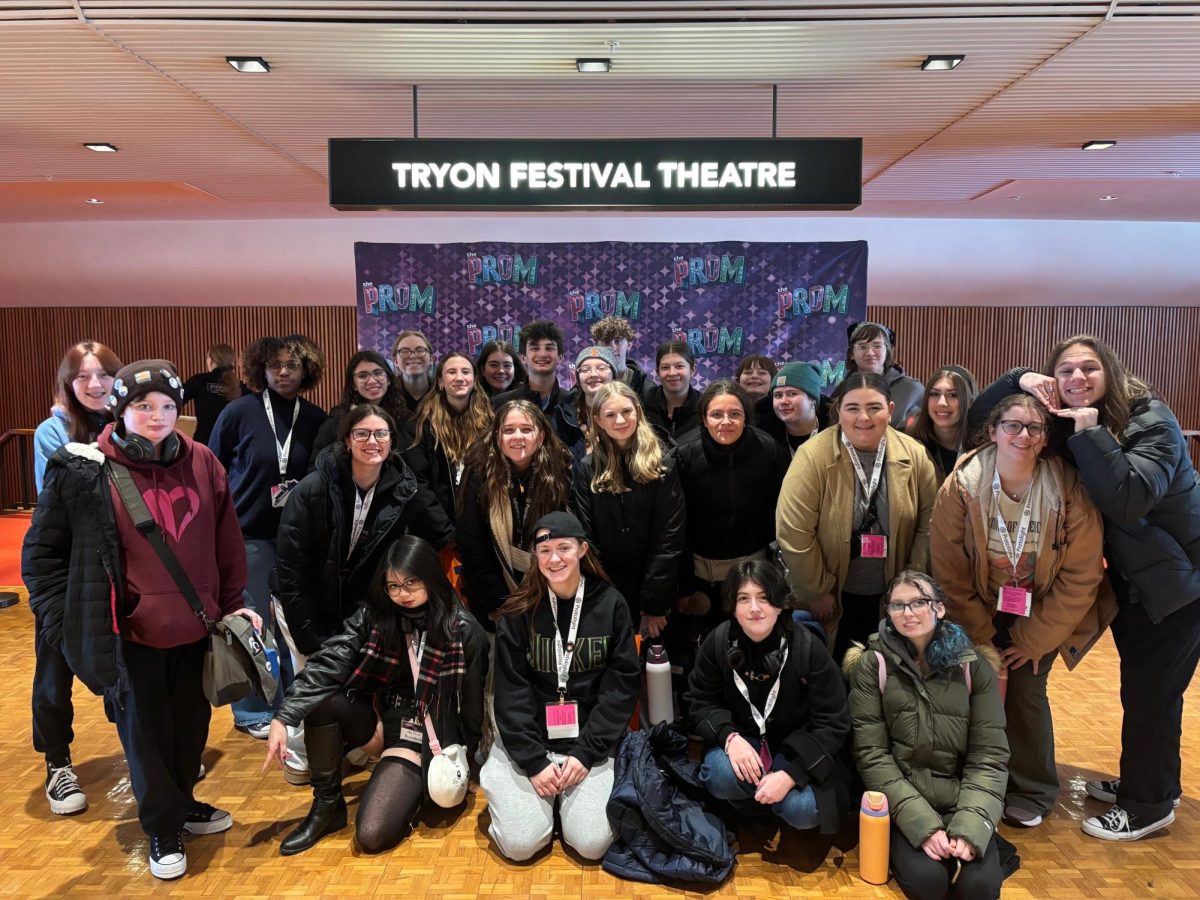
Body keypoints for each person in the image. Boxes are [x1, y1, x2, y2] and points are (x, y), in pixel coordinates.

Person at [23, 360, 258, 880]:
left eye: (169, 406)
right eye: (144, 406)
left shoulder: (203, 461)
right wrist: (65, 626)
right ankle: (161, 827)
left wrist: (234, 602)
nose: (158, 416)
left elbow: (227, 540)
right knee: (145, 733)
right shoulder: (84, 469)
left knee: (191, 729)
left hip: (197, 626)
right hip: (133, 633)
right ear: (121, 409)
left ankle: (183, 803)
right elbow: (43, 556)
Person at [970, 335, 1200, 842]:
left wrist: (1091, 433)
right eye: (1065, 370)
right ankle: (1151, 782)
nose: (1076, 378)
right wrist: (1019, 378)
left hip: (1176, 586)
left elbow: (1126, 499)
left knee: (1152, 695)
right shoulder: (1076, 423)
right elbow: (976, 418)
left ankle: (1148, 806)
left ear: (1110, 373)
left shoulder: (1150, 421)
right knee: (1144, 692)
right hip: (1137, 583)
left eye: (1088, 369)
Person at [931, 393, 1111, 830]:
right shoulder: (962, 484)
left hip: (1041, 609)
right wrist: (979, 632)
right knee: (972, 686)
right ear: (992, 431)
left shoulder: (1067, 487)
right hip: (976, 606)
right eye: (1012, 425)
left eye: (1034, 428)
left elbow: (1082, 575)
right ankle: (966, 780)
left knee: (1028, 691)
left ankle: (1031, 788)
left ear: (1046, 438)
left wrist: (1032, 640)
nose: (1023, 435)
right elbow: (949, 568)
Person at [265, 536, 488, 855]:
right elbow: (332, 659)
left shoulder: (464, 629)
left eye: (411, 583)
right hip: (382, 720)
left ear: (430, 577)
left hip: (426, 735)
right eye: (393, 585)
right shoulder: (377, 615)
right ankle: (327, 806)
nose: (402, 594)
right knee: (322, 699)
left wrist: (462, 758)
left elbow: (471, 705)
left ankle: (414, 794)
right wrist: (283, 717)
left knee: (371, 834)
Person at [481, 511, 641, 862]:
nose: (554, 559)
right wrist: (534, 762)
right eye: (545, 551)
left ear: (582, 550)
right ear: (535, 557)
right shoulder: (518, 611)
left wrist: (586, 752)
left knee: (592, 844)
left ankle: (556, 807)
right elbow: (510, 695)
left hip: (588, 745)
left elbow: (620, 689)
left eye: (564, 548)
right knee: (520, 846)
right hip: (528, 744)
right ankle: (540, 804)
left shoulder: (611, 604)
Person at [846, 572, 1008, 900]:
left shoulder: (973, 667)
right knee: (928, 884)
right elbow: (872, 755)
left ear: (939, 608)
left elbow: (989, 757)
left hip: (962, 798)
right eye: (898, 606)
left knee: (978, 887)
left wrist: (971, 826)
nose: (908, 613)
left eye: (919, 602)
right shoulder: (871, 665)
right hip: (906, 800)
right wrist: (922, 826)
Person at [685, 560, 857, 839]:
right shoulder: (718, 642)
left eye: (764, 598)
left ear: (780, 604)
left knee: (801, 809)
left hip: (799, 747)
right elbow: (699, 701)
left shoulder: (808, 647)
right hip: (747, 741)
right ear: (732, 606)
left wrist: (792, 775)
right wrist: (729, 738)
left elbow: (833, 722)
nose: (754, 608)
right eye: (744, 599)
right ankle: (756, 805)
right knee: (719, 772)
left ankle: (774, 800)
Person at [209, 334, 326, 738]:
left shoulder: (314, 418)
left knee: (292, 624)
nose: (283, 372)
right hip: (249, 536)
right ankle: (251, 710)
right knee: (252, 624)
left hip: (298, 538)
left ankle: (291, 702)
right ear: (262, 369)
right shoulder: (238, 412)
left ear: (306, 370)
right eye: (276, 365)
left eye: (292, 365)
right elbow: (214, 472)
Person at [776, 372, 938, 662]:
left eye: (874, 407)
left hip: (892, 596)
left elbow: (928, 526)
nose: (863, 417)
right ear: (839, 411)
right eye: (852, 408)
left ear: (889, 410)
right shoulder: (812, 456)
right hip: (833, 596)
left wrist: (909, 585)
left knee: (886, 676)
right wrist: (817, 590)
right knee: (835, 673)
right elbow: (793, 531)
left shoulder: (914, 456)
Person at [275, 403, 454, 663]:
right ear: (347, 440)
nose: (373, 441)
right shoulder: (313, 489)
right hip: (304, 602)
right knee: (314, 690)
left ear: (392, 441)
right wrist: (311, 640)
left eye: (381, 434)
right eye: (362, 434)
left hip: (355, 610)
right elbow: (292, 569)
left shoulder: (403, 491)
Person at [29, 340, 122, 816]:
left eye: (104, 374)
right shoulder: (52, 433)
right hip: (66, 570)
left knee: (128, 664)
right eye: (83, 376)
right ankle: (57, 763)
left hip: (118, 570)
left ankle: (143, 748)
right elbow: (71, 501)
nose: (95, 384)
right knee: (53, 669)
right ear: (69, 382)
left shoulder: (127, 423)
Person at [674, 381, 790, 640]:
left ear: (746, 417)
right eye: (716, 414)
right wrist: (684, 587)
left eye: (735, 414)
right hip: (701, 577)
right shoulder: (684, 454)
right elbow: (675, 526)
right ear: (704, 419)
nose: (726, 422)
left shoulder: (769, 450)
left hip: (755, 572)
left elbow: (781, 517)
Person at [573, 381, 684, 637]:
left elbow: (668, 539)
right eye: (610, 415)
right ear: (599, 421)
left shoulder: (663, 463)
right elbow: (585, 537)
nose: (620, 420)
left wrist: (653, 604)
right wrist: (604, 595)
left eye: (626, 411)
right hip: (605, 590)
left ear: (638, 412)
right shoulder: (587, 467)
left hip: (656, 588)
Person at [456, 400, 573, 629]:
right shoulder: (478, 473)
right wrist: (501, 603)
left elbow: (566, 536)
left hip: (547, 587)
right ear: (498, 437)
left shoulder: (559, 471)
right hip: (491, 594)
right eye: (509, 430)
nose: (517, 436)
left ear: (540, 437)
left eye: (526, 430)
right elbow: (472, 543)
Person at [402, 352, 494, 523]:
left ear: (475, 382)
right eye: (451, 372)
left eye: (465, 372)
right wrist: (445, 534)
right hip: (438, 530)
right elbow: (418, 486)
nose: (459, 378)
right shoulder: (419, 427)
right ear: (440, 382)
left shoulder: (491, 425)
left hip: (482, 526)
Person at [312, 350, 411, 460]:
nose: (372, 381)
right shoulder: (337, 420)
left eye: (378, 373)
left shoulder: (406, 420)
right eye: (363, 376)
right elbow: (318, 465)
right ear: (354, 384)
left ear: (388, 379)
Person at [844, 321, 924, 430]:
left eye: (877, 346)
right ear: (851, 354)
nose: (870, 353)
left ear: (887, 352)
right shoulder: (842, 390)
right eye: (862, 347)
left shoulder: (912, 390)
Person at [906, 366, 978, 481]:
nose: (941, 403)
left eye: (953, 395)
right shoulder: (910, 441)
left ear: (969, 401)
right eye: (934, 394)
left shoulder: (979, 448)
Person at [493, 320, 568, 416]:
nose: (542, 354)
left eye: (549, 348)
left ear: (560, 357)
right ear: (523, 358)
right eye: (535, 348)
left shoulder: (573, 402)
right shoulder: (501, 404)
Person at [754, 361, 829, 456]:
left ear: (813, 399)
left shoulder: (836, 435)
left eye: (792, 394)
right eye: (778, 395)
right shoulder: (764, 437)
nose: (783, 401)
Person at [557, 346, 617, 462]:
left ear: (613, 375)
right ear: (578, 379)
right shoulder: (564, 416)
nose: (593, 374)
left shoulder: (626, 413)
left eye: (601, 368)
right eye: (585, 370)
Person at [181, 343, 246, 446]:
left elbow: (175, 400)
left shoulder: (199, 381)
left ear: (210, 360)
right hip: (234, 448)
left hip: (204, 445)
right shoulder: (241, 387)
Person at [642, 340, 702, 445]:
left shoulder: (705, 407)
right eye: (665, 367)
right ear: (657, 372)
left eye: (679, 366)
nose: (672, 373)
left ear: (692, 369)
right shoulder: (643, 405)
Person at [590, 315, 647, 395]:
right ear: (596, 347)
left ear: (629, 345)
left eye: (618, 341)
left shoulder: (646, 390)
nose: (612, 348)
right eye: (606, 341)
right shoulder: (586, 384)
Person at [392, 330, 437, 412]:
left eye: (420, 350)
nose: (412, 356)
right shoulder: (388, 394)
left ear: (431, 359)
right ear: (395, 361)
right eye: (404, 351)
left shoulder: (442, 393)